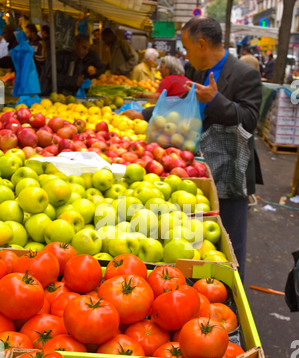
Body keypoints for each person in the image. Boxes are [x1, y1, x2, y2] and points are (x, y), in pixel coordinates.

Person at [136, 17, 262, 282]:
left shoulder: (244, 73)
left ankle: (232, 288)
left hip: (229, 169)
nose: (185, 53)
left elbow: (249, 119)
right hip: (191, 166)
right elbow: (180, 105)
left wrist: (216, 100)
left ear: (202, 44)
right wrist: (146, 113)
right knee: (193, 237)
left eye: (187, 47)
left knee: (230, 240)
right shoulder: (193, 70)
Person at [123, 55, 190, 119]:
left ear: (168, 70)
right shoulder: (187, 80)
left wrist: (141, 95)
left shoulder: (168, 79)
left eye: (161, 67)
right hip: (186, 114)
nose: (158, 69)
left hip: (173, 114)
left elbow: (156, 97)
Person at [40, 34, 105, 96]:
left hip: (67, 97)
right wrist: (74, 81)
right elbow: (52, 75)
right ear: (75, 44)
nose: (86, 52)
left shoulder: (80, 61)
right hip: (49, 94)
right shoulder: (59, 57)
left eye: (88, 49)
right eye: (84, 47)